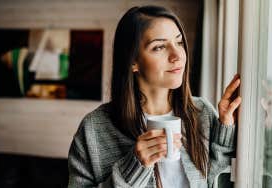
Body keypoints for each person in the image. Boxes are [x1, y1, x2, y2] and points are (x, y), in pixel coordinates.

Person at [68, 5, 241, 188]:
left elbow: (214, 179)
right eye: (159, 47)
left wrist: (226, 127)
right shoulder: (94, 129)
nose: (177, 56)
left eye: (179, 42)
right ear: (133, 61)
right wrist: (135, 167)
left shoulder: (202, 112)